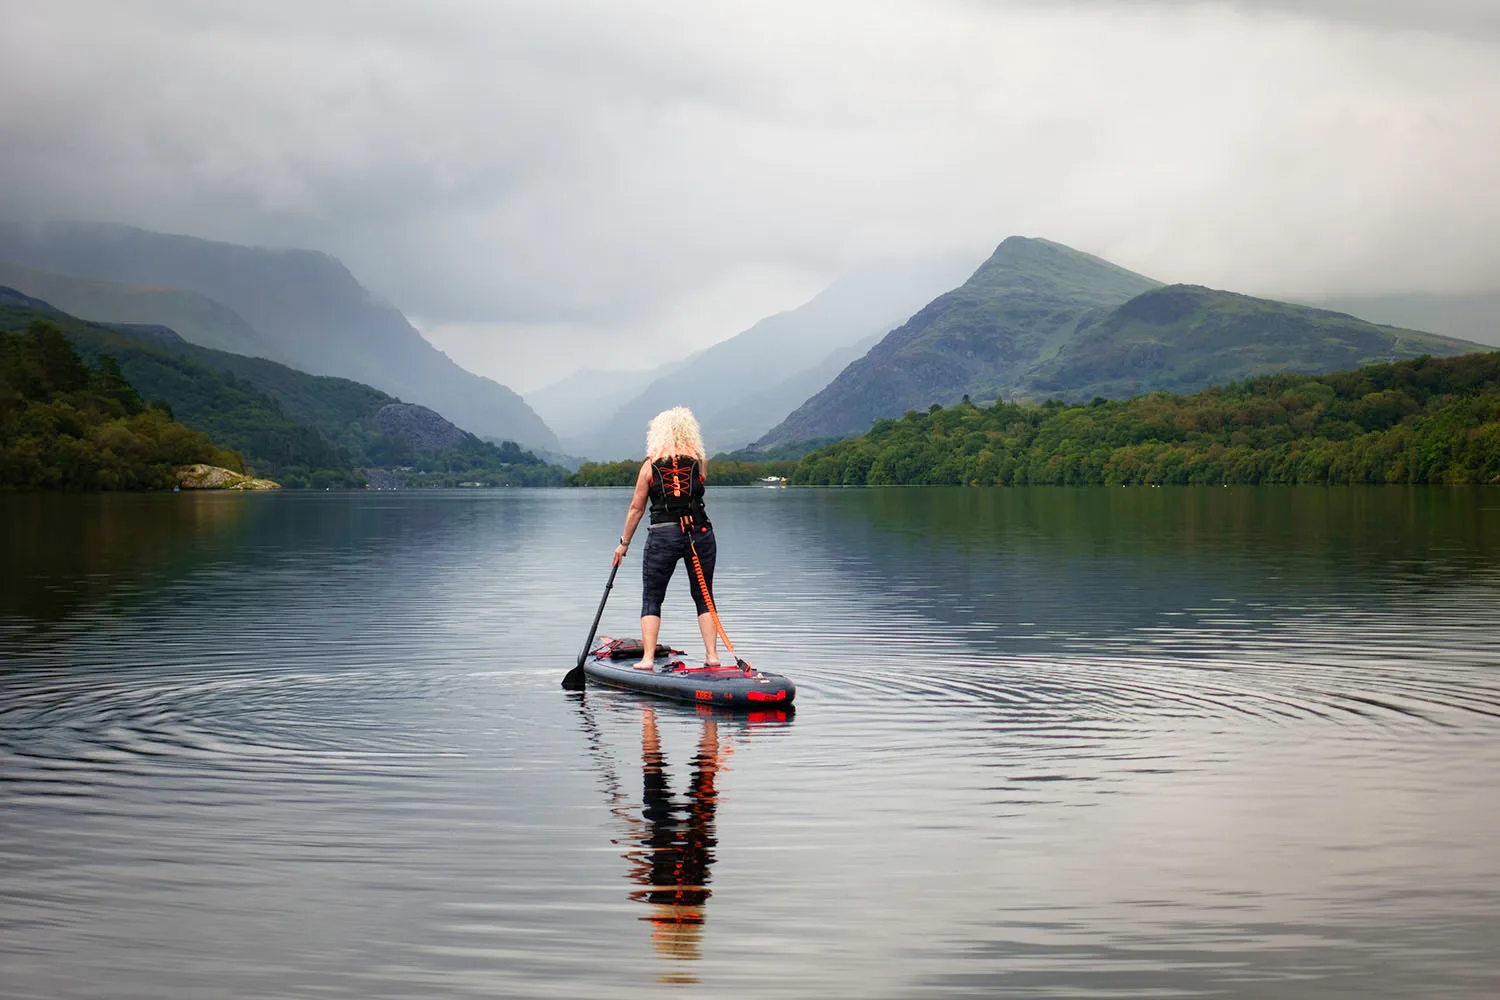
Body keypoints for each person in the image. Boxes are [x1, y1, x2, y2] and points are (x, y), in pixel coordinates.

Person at [612, 406, 719, 669]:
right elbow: (695, 488)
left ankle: (647, 659)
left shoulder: (649, 466)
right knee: (704, 596)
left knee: (652, 597)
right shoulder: (698, 461)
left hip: (663, 535)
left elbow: (636, 508)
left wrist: (623, 544)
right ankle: (712, 656)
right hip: (700, 533)